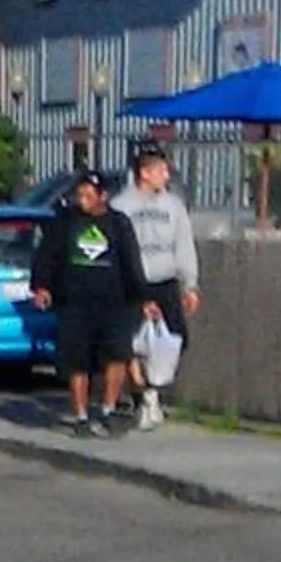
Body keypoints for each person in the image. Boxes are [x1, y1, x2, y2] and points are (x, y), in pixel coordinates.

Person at [31, 170, 156, 437]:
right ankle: (80, 416)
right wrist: (42, 286)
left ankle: (109, 409)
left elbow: (131, 262)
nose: (82, 199)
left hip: (114, 303)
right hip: (75, 303)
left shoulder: (118, 224)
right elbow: (46, 257)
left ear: (103, 196)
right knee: (77, 362)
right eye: (80, 194)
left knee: (117, 355)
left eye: (89, 195)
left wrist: (143, 297)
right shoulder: (65, 223)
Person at [112, 143, 201, 430]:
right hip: (133, 283)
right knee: (133, 343)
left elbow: (184, 245)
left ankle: (152, 391)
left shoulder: (173, 206)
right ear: (144, 172)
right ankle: (143, 398)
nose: (166, 175)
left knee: (172, 340)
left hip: (165, 282)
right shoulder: (120, 207)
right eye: (161, 170)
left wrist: (190, 284)